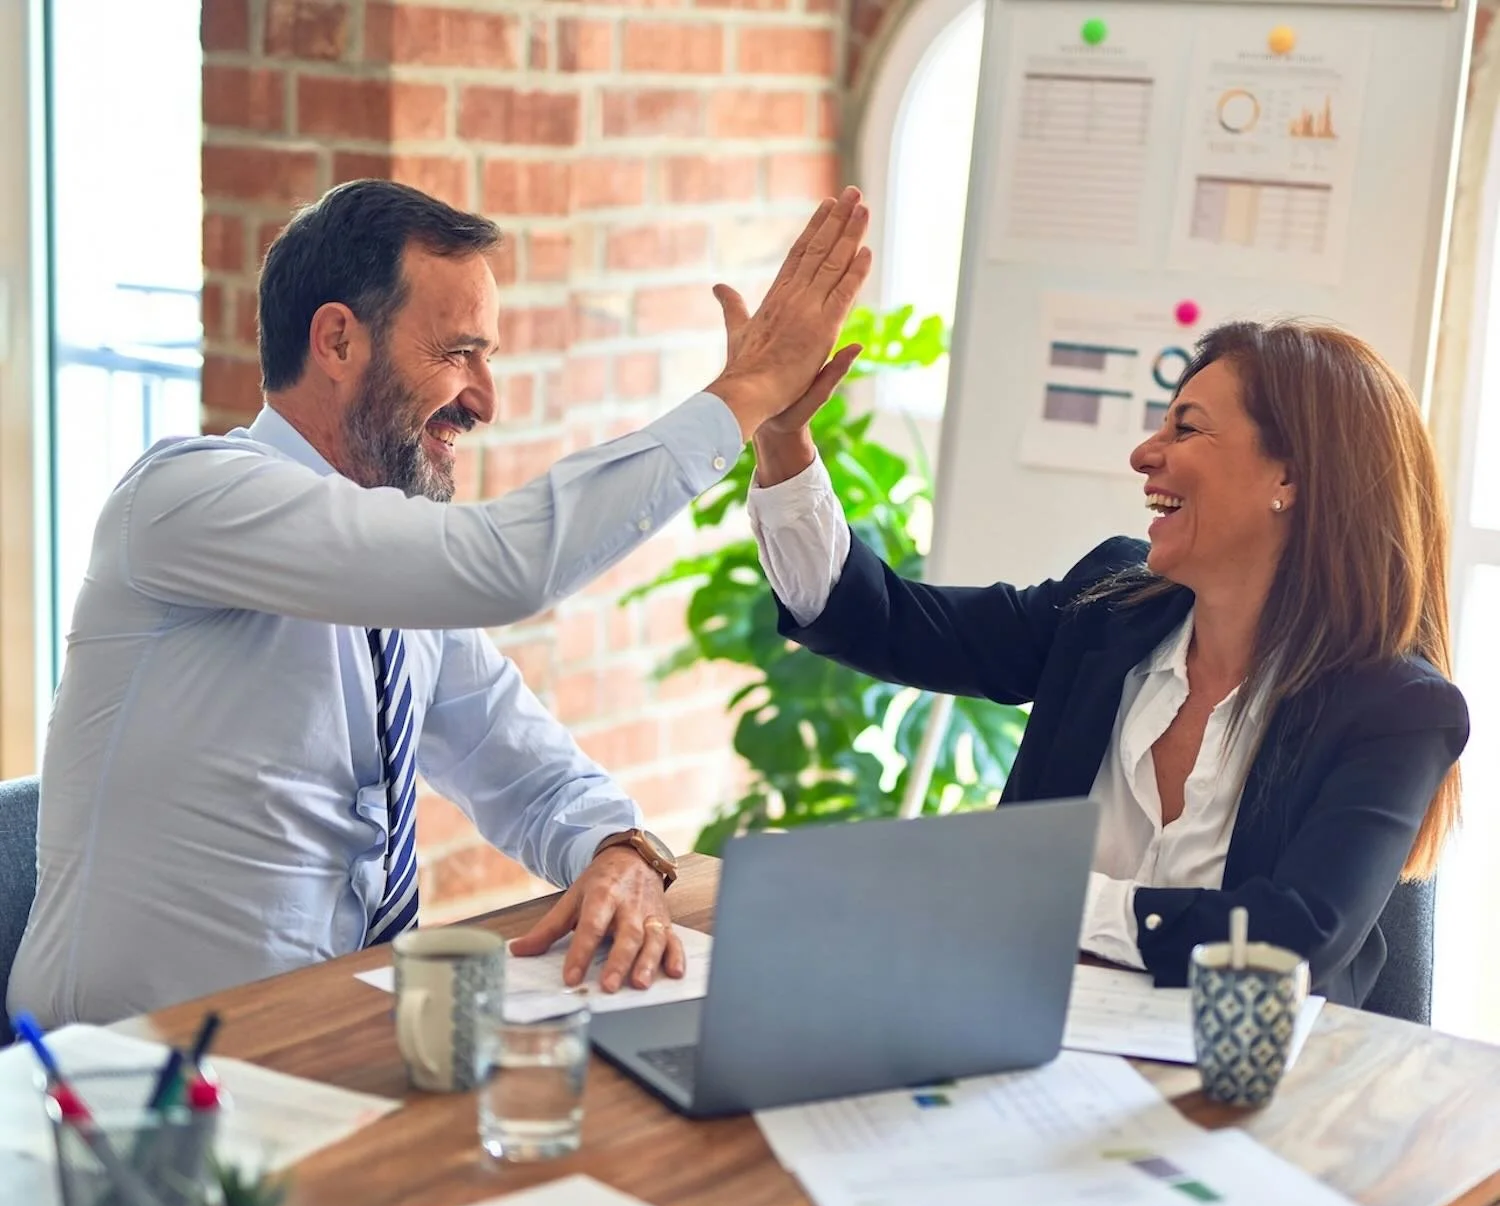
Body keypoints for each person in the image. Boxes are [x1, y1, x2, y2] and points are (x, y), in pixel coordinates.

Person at [8, 178, 871, 1027]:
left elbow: (529, 772)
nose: (485, 400)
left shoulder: (396, 582)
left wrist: (620, 850)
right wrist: (746, 393)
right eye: (459, 352)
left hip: (322, 1050)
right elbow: (507, 565)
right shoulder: (186, 499)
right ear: (338, 342)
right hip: (122, 1085)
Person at [745, 320, 1468, 1005]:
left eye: (1185, 428)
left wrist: (1045, 897)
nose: (1144, 454)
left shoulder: (1397, 709)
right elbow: (883, 622)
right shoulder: (1108, 609)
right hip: (1028, 1041)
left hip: (1253, 1097)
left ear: (1290, 478)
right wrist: (783, 440)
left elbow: (1289, 942)